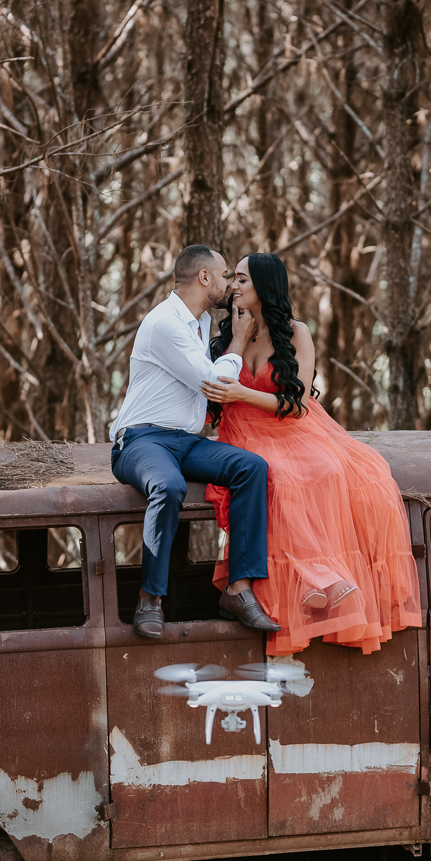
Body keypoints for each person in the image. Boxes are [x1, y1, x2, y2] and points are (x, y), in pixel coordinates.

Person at [200, 253, 421, 656]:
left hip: (290, 423)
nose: (233, 286)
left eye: (242, 280)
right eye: (233, 279)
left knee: (331, 469)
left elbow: (296, 404)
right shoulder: (228, 331)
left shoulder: (296, 332)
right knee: (278, 476)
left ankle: (325, 578)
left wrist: (242, 392)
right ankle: (314, 579)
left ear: (265, 286)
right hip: (243, 427)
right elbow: (216, 393)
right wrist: (235, 342)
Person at [109, 244, 281, 639]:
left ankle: (239, 589)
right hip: (140, 441)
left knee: (251, 467)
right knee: (168, 486)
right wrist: (238, 342)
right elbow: (214, 384)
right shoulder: (165, 323)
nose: (230, 285)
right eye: (225, 276)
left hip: (185, 441)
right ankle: (150, 599)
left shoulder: (199, 322)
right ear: (205, 278)